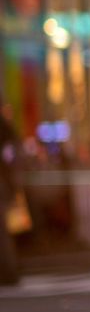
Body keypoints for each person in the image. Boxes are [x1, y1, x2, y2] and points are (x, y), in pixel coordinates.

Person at [0, 103, 22, 286]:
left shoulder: (5, 129)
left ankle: (8, 271)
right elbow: (10, 158)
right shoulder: (5, 129)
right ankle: (9, 271)